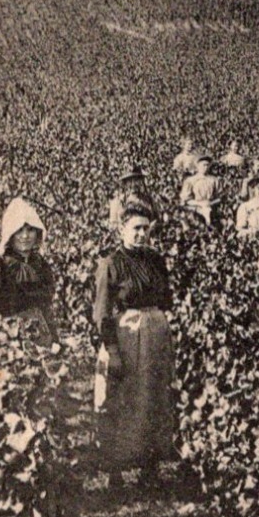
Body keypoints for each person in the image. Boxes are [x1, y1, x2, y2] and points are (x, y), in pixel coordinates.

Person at [94, 204, 177, 484]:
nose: (141, 234)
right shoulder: (111, 263)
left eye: (145, 229)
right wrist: (112, 349)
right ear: (122, 229)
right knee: (121, 396)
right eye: (135, 228)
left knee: (152, 395)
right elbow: (102, 311)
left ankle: (148, 466)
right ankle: (115, 470)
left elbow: (167, 298)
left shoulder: (155, 260)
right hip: (126, 333)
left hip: (155, 331)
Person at [0, 197, 57, 339]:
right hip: (9, 340)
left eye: (30, 230)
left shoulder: (41, 266)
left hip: (42, 340)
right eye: (19, 230)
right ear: (10, 234)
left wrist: (55, 340)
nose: (25, 236)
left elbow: (46, 310)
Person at [179, 151, 221, 224]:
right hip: (195, 207)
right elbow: (185, 200)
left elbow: (219, 197)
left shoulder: (214, 180)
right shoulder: (190, 180)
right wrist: (200, 204)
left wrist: (210, 203)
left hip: (211, 206)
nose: (205, 167)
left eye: (207, 165)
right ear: (197, 166)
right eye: (203, 165)